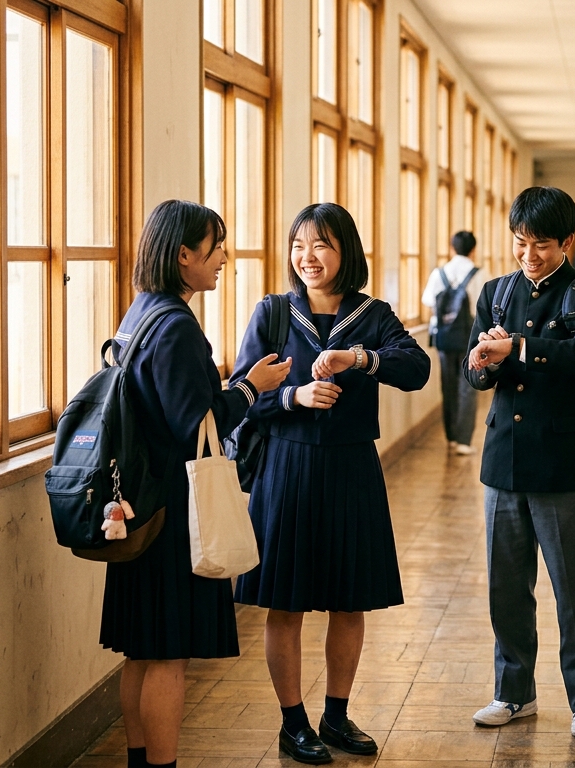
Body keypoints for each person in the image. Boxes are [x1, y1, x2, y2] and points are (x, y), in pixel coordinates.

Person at [232, 203, 431, 764]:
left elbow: (416, 368)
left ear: (346, 252)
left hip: (351, 468)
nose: (308, 257)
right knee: (285, 603)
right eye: (299, 245)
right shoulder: (273, 312)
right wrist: (292, 396)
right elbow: (240, 392)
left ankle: (336, 717)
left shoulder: (372, 314)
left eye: (321, 244)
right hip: (286, 469)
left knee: (349, 600)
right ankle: (293, 723)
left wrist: (360, 358)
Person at [103, 200, 292, 768]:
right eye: (215, 248)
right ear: (184, 255)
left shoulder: (140, 312)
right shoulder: (178, 327)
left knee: (140, 652)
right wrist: (250, 387)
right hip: (173, 513)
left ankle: (140, 761)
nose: (223, 258)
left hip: (138, 504)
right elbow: (198, 424)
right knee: (168, 655)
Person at [463, 186, 575, 739]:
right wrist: (483, 362)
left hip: (564, 464)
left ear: (567, 242)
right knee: (506, 587)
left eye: (542, 245)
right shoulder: (496, 293)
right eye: (520, 242)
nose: (528, 255)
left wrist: (520, 348)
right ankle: (513, 692)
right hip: (503, 461)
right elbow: (475, 373)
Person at [422, 230, 487, 455]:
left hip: (444, 337)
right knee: (468, 386)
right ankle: (463, 441)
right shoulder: (479, 274)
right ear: (473, 250)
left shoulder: (439, 273)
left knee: (447, 386)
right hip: (470, 338)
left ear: (452, 248)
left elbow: (428, 300)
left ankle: (450, 437)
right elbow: (484, 307)